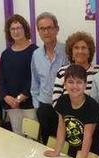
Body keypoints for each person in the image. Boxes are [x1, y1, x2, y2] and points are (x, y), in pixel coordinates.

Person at [45, 65, 99, 158]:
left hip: (89, 154)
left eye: (79, 82)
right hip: (72, 151)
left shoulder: (92, 106)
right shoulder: (63, 100)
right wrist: (57, 151)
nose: (75, 86)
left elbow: (88, 136)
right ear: (65, 84)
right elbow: (61, 128)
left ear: (85, 85)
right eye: (71, 82)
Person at [30, 12, 68, 144]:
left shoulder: (67, 51)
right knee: (47, 145)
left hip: (66, 108)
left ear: (57, 29)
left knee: (66, 148)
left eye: (49, 28)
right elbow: (35, 83)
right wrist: (37, 107)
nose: (46, 32)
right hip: (45, 108)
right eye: (42, 28)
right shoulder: (36, 55)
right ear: (38, 31)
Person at [0, 14, 37, 135]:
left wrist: (21, 97)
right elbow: (1, 77)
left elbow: (35, 78)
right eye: (12, 29)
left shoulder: (35, 51)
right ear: (9, 32)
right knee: (17, 136)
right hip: (11, 104)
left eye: (19, 27)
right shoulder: (6, 54)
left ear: (25, 29)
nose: (16, 31)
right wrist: (5, 96)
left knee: (32, 138)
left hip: (29, 103)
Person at [51, 31, 99, 106]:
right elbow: (55, 102)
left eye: (84, 48)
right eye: (76, 48)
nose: (80, 51)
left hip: (92, 116)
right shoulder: (62, 72)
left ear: (89, 52)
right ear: (71, 52)